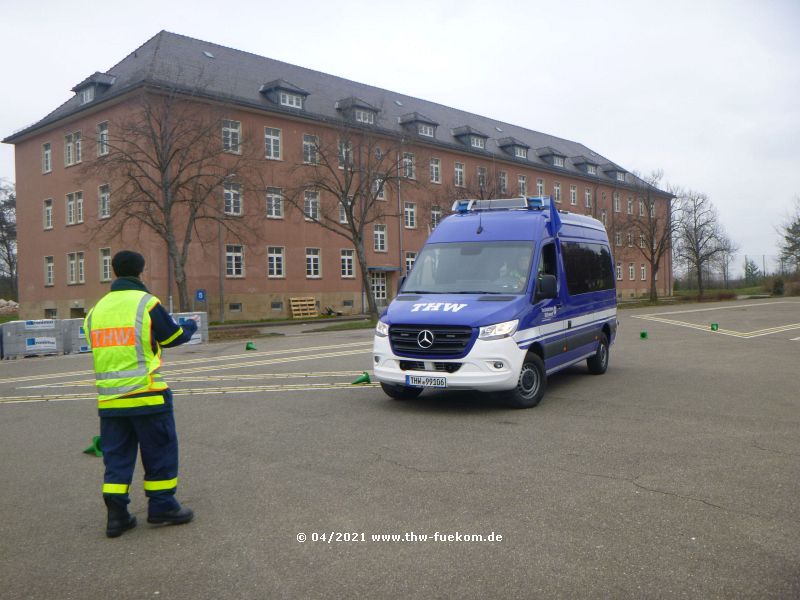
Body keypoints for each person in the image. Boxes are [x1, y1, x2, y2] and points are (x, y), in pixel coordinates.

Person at [84, 250, 198, 538]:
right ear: (141, 271)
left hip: (110, 401)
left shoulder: (97, 309)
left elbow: (94, 343)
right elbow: (172, 337)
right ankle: (162, 506)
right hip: (147, 396)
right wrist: (190, 326)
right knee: (159, 450)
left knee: (117, 457)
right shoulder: (146, 303)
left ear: (113, 272)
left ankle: (117, 515)